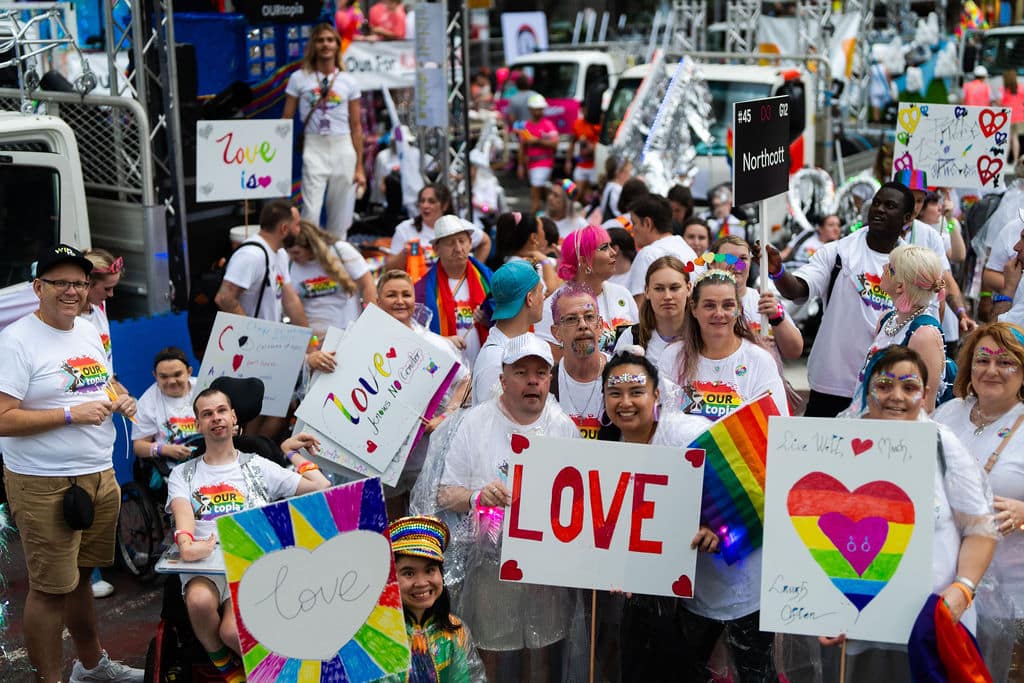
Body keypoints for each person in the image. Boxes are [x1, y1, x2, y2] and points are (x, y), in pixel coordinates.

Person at [0, 245, 142, 683]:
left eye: (79, 283)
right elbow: (2, 418)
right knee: (48, 589)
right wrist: (68, 414)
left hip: (99, 473)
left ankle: (91, 666)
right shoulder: (15, 341)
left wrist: (119, 396)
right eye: (60, 282)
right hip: (45, 482)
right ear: (37, 287)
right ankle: (51, 679)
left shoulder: (86, 328)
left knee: (81, 579)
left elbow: (100, 377)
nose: (71, 291)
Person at [822, 346, 997, 681]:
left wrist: (963, 587)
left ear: (925, 394)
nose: (896, 397)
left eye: (909, 386)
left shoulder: (942, 444)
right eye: (884, 385)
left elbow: (981, 528)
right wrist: (821, 607)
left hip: (932, 628)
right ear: (867, 388)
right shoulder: (836, 444)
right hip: (860, 631)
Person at [438, 334, 577, 682]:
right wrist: (477, 497)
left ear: (549, 379)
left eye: (541, 373)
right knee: (491, 656)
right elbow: (443, 494)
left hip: (547, 567)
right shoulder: (474, 424)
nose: (533, 380)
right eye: (521, 372)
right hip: (489, 566)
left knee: (542, 656)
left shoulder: (564, 427)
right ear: (502, 379)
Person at [166, 388, 330, 679]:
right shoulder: (184, 473)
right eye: (207, 414)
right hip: (204, 563)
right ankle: (225, 667)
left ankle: (283, 672)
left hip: (250, 563)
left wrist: (291, 452)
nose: (215, 418)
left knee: (232, 633)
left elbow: (319, 486)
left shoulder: (257, 465)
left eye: (220, 411)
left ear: (233, 417)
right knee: (199, 601)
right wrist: (187, 543)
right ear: (198, 424)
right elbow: (183, 515)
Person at [595, 351, 717, 678]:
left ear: (656, 395)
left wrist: (716, 528)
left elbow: (739, 482)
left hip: (704, 590)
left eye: (637, 392)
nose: (626, 402)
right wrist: (613, 568)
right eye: (615, 393)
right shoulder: (602, 449)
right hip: (641, 593)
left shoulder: (686, 435)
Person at [766, 182, 915, 417]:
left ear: (907, 217)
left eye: (890, 206)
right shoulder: (838, 253)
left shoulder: (913, 266)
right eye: (876, 203)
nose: (880, 210)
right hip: (831, 383)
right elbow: (797, 289)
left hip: (886, 387)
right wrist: (778, 272)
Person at [934, 322, 1024, 681]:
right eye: (983, 359)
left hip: (1011, 597)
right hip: (943, 588)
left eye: (1006, 362)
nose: (991, 370)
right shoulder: (947, 414)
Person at [661, 268, 789, 420]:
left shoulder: (760, 360)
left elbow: (775, 423)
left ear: (739, 309)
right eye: (709, 305)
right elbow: (664, 422)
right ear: (694, 309)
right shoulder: (673, 356)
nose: (719, 313)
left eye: (728, 305)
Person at [282, 24, 365, 239]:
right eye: (320, 40)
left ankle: (336, 262)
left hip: (343, 146)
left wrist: (360, 167)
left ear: (337, 45)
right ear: (313, 46)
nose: (325, 44)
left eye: (330, 40)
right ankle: (309, 259)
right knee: (310, 211)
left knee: (341, 214)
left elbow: (356, 126)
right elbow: (285, 120)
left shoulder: (349, 81)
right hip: (314, 146)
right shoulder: (299, 78)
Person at [79, 248, 127, 599]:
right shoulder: (70, 321)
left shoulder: (98, 311)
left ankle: (100, 562)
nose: (111, 296)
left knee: (102, 492)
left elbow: (105, 365)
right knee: (81, 495)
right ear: (87, 282)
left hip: (104, 414)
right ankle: (87, 573)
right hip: (79, 416)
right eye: (106, 288)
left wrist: (118, 389)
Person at [386, 516, 486, 682]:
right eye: (409, 573)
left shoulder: (455, 632)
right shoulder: (375, 634)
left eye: (430, 570)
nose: (421, 583)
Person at [856, 245, 948, 412]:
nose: (883, 267)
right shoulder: (886, 319)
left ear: (900, 287)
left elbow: (925, 406)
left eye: (890, 268)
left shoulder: (924, 335)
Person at [536, 225, 638, 357]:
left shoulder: (622, 294)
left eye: (610, 246)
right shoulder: (552, 307)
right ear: (583, 261)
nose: (613, 252)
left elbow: (638, 340)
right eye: (604, 248)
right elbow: (553, 360)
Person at [215, 199, 308, 327]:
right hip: (248, 344)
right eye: (297, 225)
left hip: (267, 342)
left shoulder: (280, 254)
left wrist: (310, 344)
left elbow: (291, 301)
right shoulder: (251, 255)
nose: (300, 231)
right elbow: (224, 298)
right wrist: (252, 335)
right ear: (284, 229)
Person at [414, 215, 494, 366]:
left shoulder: (491, 280)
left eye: (462, 241)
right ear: (436, 249)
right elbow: (415, 334)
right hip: (444, 373)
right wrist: (443, 342)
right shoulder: (421, 291)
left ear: (470, 243)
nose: (458, 249)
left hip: (485, 369)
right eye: (450, 243)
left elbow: (509, 319)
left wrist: (488, 319)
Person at [713, 235, 803, 358]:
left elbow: (794, 351)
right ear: (713, 263)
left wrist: (777, 318)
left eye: (743, 258)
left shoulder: (764, 300)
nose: (737, 264)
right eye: (729, 258)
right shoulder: (703, 303)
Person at [286, 219, 376, 336]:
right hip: (314, 337)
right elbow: (293, 305)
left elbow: (368, 285)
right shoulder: (291, 265)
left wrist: (370, 323)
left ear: (311, 246)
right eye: (289, 253)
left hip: (348, 332)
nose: (292, 257)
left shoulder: (341, 250)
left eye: (296, 253)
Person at [472, 260, 544, 405]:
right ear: (529, 299)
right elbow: (493, 424)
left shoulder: (526, 342)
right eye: (541, 291)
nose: (543, 297)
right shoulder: (495, 361)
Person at [385, 184, 490, 276]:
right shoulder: (405, 229)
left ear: (444, 205)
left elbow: (485, 242)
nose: (425, 205)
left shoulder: (459, 226)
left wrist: (475, 271)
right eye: (422, 201)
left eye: (431, 201)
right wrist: (404, 253)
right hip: (418, 291)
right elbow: (389, 268)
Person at [549, 284, 607, 438]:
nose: (582, 325)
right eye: (571, 319)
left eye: (589, 317)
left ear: (600, 326)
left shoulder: (620, 377)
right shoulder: (546, 384)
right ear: (556, 332)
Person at [613, 255, 689, 368]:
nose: (667, 296)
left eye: (674, 288)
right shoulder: (632, 337)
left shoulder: (703, 335)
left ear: (688, 288)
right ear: (647, 291)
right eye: (659, 289)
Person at [627, 194, 698, 308]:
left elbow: (639, 308)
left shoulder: (648, 254)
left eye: (634, 223)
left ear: (647, 223)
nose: (632, 230)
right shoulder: (688, 250)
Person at [132, 346, 197, 467]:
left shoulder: (204, 388)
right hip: (172, 468)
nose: (171, 381)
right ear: (155, 376)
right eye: (164, 377)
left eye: (177, 374)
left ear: (189, 372)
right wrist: (164, 450)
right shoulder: (147, 402)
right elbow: (138, 446)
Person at [491, 211, 559, 293]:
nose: (544, 233)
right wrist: (545, 260)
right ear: (534, 237)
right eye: (542, 229)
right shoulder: (521, 267)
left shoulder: (518, 260)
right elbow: (550, 294)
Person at [518, 94, 558, 214]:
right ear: (530, 109)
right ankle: (550, 212)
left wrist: (537, 141)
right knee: (541, 193)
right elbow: (522, 147)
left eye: (540, 108)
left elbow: (555, 144)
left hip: (545, 163)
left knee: (535, 193)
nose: (538, 111)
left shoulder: (548, 125)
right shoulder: (526, 126)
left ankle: (533, 220)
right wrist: (520, 166)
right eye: (536, 108)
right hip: (531, 164)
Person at [566, 113, 600, 200]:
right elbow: (572, 143)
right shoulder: (577, 124)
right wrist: (568, 161)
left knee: (589, 197)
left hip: (594, 166)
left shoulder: (598, 124)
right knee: (577, 194)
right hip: (581, 164)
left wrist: (590, 147)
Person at [598, 156, 632, 222]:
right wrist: (629, 228)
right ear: (619, 173)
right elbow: (617, 214)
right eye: (628, 172)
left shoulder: (610, 186)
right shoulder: (616, 189)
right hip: (611, 229)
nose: (629, 176)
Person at [1001, 70, 1024, 164]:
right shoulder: (1021, 88)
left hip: (1007, 117)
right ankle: (1015, 160)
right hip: (1019, 117)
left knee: (1007, 140)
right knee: (1015, 138)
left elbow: (1000, 102)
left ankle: (1005, 160)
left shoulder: (1003, 90)